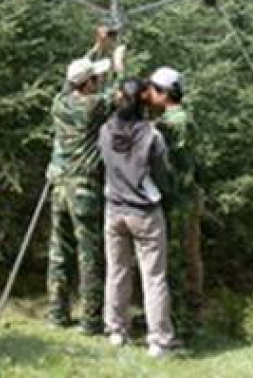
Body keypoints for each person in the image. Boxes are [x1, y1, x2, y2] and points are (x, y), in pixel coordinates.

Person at [47, 27, 124, 335]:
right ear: (89, 83)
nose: (98, 81)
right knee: (88, 255)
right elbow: (119, 96)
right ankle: (91, 321)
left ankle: (57, 314)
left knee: (58, 252)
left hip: (59, 188)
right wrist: (118, 65)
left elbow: (71, 81)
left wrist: (97, 47)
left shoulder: (59, 103)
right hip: (83, 190)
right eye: (96, 78)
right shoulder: (92, 107)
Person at [99, 77, 178, 358]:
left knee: (116, 272)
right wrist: (168, 196)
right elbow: (163, 177)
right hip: (144, 212)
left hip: (114, 210)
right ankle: (158, 341)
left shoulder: (105, 130)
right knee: (154, 277)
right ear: (144, 101)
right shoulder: (152, 136)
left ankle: (116, 331)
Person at [143, 66, 204, 336]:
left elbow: (175, 167)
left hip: (179, 201)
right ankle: (186, 317)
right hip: (183, 199)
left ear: (164, 93)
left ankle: (181, 321)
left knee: (178, 259)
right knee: (186, 257)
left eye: (152, 90)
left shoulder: (174, 122)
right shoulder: (176, 118)